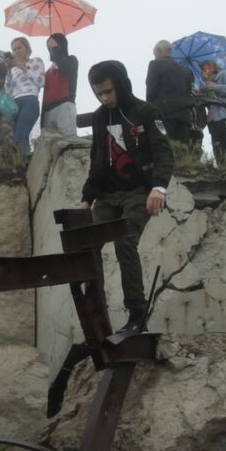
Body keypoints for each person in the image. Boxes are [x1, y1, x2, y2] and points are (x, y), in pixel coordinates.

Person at [80, 60, 175, 333]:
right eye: (99, 93)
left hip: (138, 191)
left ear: (120, 85)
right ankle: (94, 309)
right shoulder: (99, 117)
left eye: (108, 91)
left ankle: (137, 314)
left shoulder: (145, 112)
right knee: (87, 242)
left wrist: (159, 187)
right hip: (107, 195)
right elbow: (97, 161)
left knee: (124, 240)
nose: (105, 98)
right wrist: (87, 197)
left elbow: (163, 152)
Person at [146, 40, 198, 149]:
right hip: (184, 118)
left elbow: (151, 92)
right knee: (182, 154)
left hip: (163, 115)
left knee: (165, 151)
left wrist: (148, 113)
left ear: (159, 51)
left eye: (154, 53)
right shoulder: (186, 71)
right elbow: (189, 93)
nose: (154, 56)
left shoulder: (155, 64)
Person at [7, 37, 46, 161]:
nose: (16, 52)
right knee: (15, 138)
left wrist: (23, 67)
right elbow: (8, 91)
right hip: (14, 104)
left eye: (19, 48)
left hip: (29, 99)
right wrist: (8, 70)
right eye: (14, 50)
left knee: (21, 135)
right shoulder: (13, 70)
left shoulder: (36, 61)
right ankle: (21, 162)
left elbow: (41, 81)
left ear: (28, 49)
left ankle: (25, 165)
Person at [41, 32, 79, 135]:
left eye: (54, 46)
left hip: (65, 105)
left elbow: (66, 69)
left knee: (68, 140)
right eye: (49, 48)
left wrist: (56, 49)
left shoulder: (72, 60)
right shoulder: (48, 71)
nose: (51, 50)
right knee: (50, 146)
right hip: (48, 110)